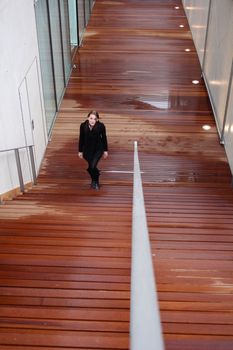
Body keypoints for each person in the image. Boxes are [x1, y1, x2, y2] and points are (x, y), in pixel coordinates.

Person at [78, 111, 108, 190]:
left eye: (94, 119)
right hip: (87, 150)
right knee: (92, 167)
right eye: (91, 118)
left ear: (97, 120)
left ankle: (96, 181)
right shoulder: (83, 126)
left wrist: (105, 150)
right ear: (88, 118)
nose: (92, 120)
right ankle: (94, 179)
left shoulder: (101, 126)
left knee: (92, 166)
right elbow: (81, 138)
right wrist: (80, 151)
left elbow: (104, 138)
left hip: (98, 149)